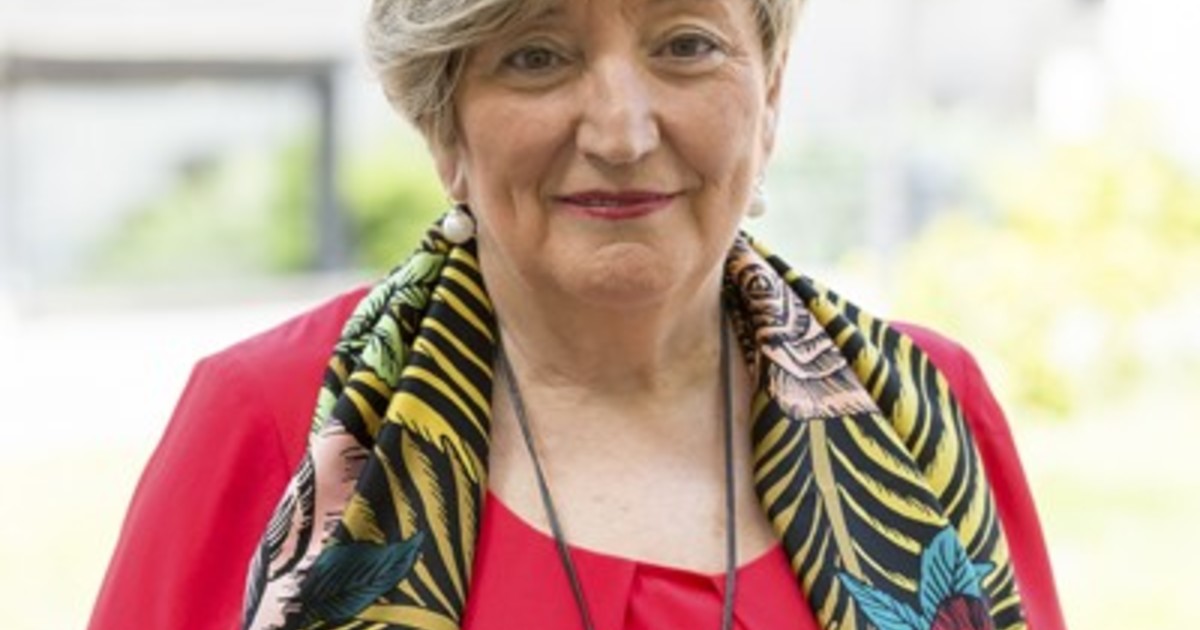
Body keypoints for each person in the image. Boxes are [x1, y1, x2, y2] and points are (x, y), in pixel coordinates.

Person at [89, 0, 1067, 628]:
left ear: (770, 94)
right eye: (537, 57)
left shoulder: (924, 408)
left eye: (686, 46)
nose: (622, 132)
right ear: (444, 124)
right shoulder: (275, 418)